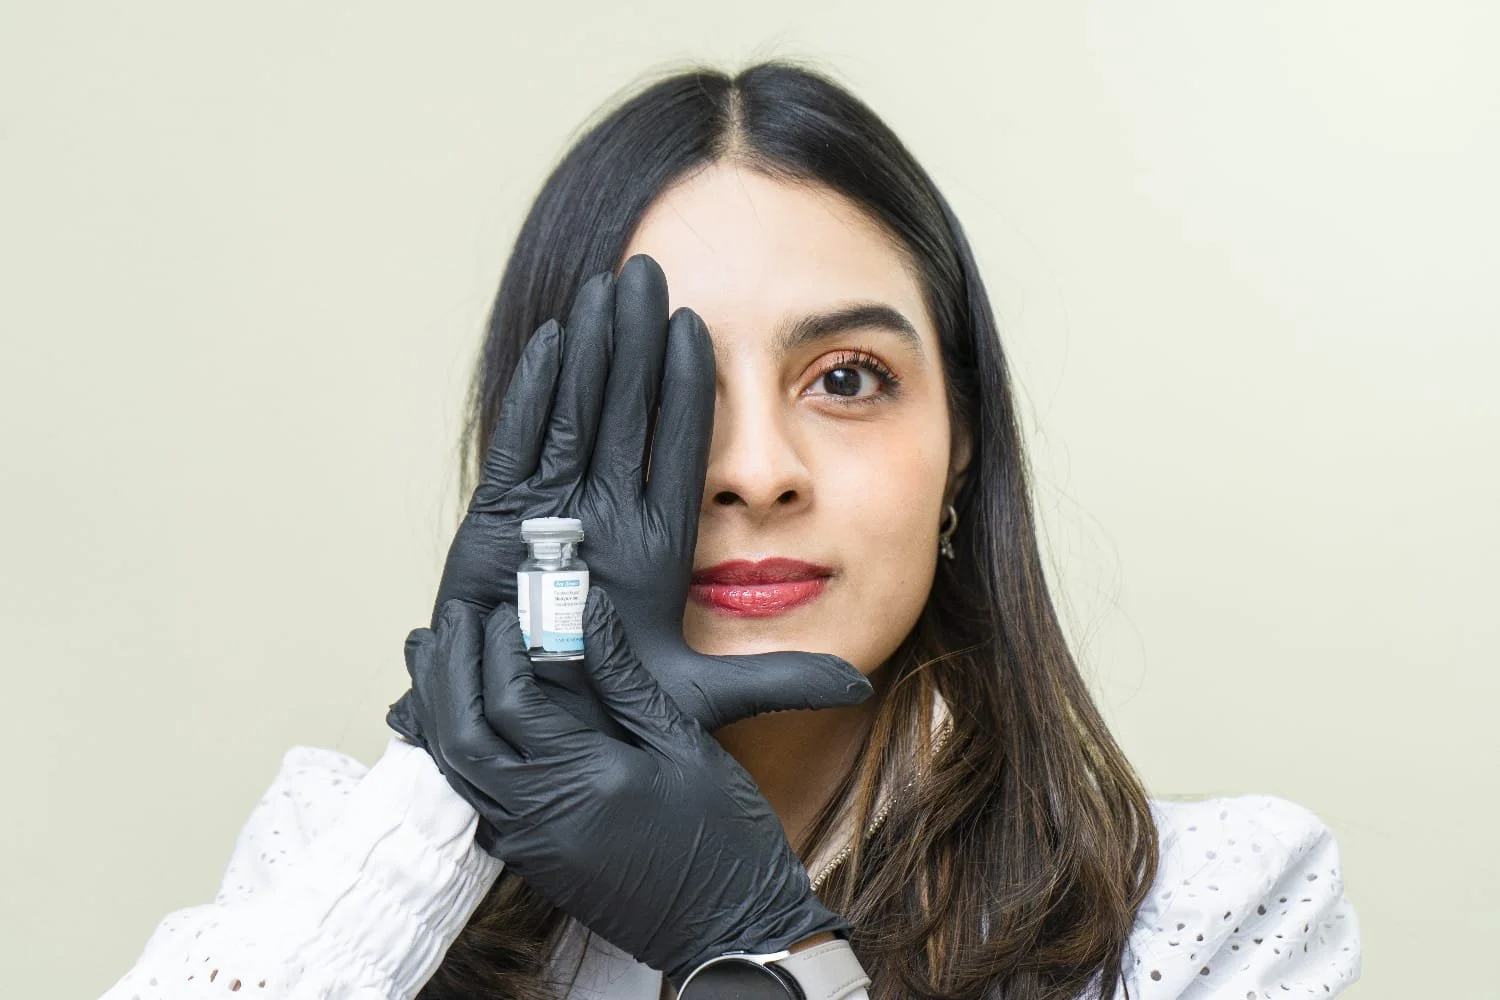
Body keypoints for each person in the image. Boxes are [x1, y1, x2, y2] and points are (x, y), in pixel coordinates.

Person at [101, 61, 1361, 1000]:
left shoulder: (1213, 904)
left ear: (962, 438)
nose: (755, 472)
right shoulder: (345, 848)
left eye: (848, 377)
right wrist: (461, 768)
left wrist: (762, 942)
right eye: (662, 393)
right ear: (538, 446)